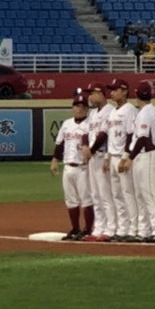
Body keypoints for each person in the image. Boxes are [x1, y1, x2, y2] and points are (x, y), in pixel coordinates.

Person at [50, 92, 94, 240]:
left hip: (84, 167)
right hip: (68, 166)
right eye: (76, 106)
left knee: (86, 199)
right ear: (73, 108)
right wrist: (55, 160)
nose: (79, 109)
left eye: (82, 106)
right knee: (71, 200)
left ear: (87, 109)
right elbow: (60, 143)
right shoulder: (67, 124)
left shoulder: (90, 124)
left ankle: (88, 230)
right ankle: (75, 228)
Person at [127, 81, 155, 242]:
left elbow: (142, 137)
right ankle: (144, 229)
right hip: (144, 154)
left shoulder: (145, 112)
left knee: (147, 194)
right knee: (141, 195)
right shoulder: (150, 110)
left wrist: (130, 157)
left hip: (147, 154)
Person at [104, 78, 139, 241]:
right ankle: (123, 228)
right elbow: (111, 137)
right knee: (117, 194)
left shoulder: (130, 109)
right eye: (111, 89)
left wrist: (126, 156)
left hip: (123, 157)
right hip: (112, 156)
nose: (112, 92)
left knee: (128, 193)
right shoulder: (112, 111)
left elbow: (131, 134)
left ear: (125, 91)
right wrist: (107, 157)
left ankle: (134, 228)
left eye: (116, 89)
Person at [81, 82, 115, 242]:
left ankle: (111, 228)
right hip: (93, 157)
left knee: (105, 194)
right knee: (95, 194)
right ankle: (99, 227)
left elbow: (103, 135)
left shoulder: (110, 111)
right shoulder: (93, 113)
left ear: (101, 94)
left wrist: (91, 150)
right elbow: (86, 132)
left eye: (93, 93)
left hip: (103, 156)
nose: (90, 96)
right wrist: (86, 147)